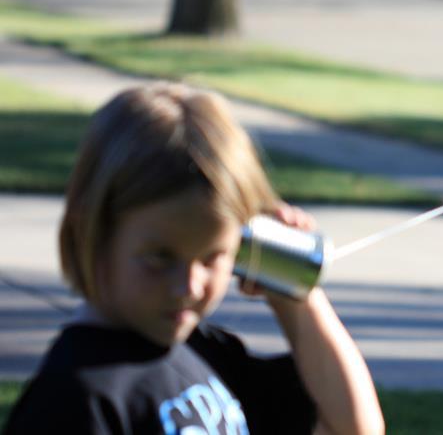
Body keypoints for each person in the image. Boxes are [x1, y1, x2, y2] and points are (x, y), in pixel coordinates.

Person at [3, 82, 385, 435]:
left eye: (212, 257)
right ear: (92, 232)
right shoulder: (76, 399)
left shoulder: (202, 353)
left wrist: (294, 293)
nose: (188, 286)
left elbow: (353, 429)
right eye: (159, 258)